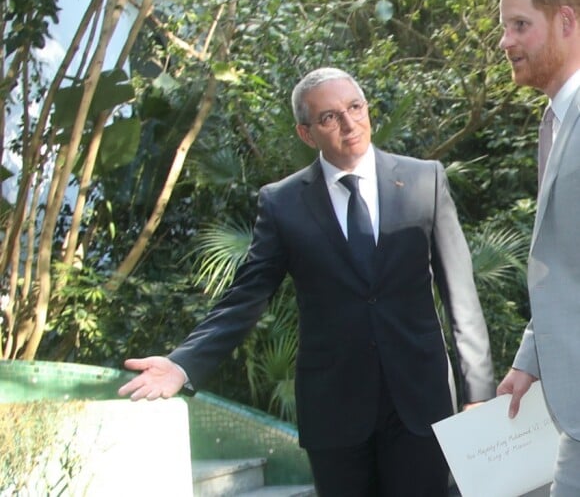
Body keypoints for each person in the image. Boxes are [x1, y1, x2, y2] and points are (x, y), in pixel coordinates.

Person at [119, 67, 495, 496]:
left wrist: (478, 391)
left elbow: (460, 294)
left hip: (421, 405)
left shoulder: (424, 180)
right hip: (335, 414)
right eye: (330, 117)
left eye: (355, 107)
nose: (350, 124)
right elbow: (247, 296)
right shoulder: (282, 203)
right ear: (306, 132)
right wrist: (184, 363)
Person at [493, 0, 580, 496]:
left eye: (520, 24)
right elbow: (567, 264)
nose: (505, 41)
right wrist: (530, 360)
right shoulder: (556, 122)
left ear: (567, 22)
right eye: (503, 27)